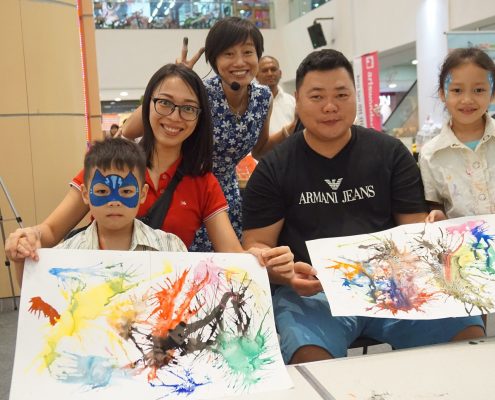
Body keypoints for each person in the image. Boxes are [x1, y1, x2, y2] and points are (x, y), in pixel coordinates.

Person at [242, 49, 485, 365]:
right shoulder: (274, 167)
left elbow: (413, 229)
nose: (330, 106)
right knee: (309, 356)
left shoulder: (390, 153)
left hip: (396, 285)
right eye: (317, 96)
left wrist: (432, 234)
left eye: (341, 95)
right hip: (313, 292)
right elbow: (256, 245)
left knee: (465, 331)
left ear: (355, 96)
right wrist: (283, 272)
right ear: (297, 102)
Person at [6, 64, 293, 278]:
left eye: (188, 108)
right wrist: (29, 236)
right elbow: (51, 230)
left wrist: (259, 257)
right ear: (148, 105)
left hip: (163, 305)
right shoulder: (109, 165)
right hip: (98, 295)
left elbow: (233, 255)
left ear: (199, 117)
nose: (174, 117)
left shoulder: (203, 182)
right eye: (165, 103)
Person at [121, 17, 296, 252]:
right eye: (228, 54)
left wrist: (291, 128)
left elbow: (260, 149)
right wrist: (174, 81)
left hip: (227, 195)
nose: (239, 62)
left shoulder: (263, 98)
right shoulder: (200, 93)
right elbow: (130, 130)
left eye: (248, 52)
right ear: (214, 60)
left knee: (226, 265)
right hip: (185, 190)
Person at [14, 137, 187, 285]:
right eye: (102, 191)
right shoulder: (66, 254)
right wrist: (22, 261)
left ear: (142, 194)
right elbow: (38, 290)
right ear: (85, 194)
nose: (114, 202)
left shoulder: (170, 248)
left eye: (126, 191)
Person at [419, 47, 495, 222]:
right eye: (457, 90)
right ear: (442, 94)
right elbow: (436, 205)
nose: (467, 100)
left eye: (479, 90)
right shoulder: (430, 155)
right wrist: (438, 215)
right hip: (464, 239)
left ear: (492, 94)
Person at [256, 55, 296, 135]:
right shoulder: (252, 105)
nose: (270, 73)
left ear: (280, 73)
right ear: (256, 76)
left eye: (273, 69)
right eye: (265, 71)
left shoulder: (292, 100)